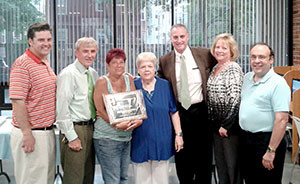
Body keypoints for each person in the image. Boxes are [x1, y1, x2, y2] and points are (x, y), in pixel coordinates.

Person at [157, 24, 217, 183]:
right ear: (171, 39)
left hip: (201, 111)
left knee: (203, 157)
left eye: (182, 36)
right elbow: (158, 82)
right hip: (179, 113)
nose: (179, 40)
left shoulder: (204, 54)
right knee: (183, 157)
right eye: (175, 37)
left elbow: (221, 62)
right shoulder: (165, 60)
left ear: (187, 36)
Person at [9, 22, 56, 184]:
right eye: (41, 39)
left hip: (46, 132)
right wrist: (27, 134)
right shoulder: (23, 64)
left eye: (49, 39)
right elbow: (17, 101)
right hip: (32, 134)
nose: (46, 43)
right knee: (32, 180)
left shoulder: (43, 62)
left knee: (45, 179)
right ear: (30, 41)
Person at [239, 43, 291, 184]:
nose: (257, 61)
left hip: (267, 142)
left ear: (271, 60)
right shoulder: (247, 79)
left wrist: (271, 150)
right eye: (253, 57)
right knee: (250, 179)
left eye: (262, 57)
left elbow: (282, 119)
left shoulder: (278, 83)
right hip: (246, 140)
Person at [131, 52, 184, 184]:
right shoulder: (133, 85)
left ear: (155, 68)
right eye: (143, 67)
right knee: (141, 180)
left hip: (162, 140)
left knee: (161, 180)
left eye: (150, 66)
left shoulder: (165, 85)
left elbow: (174, 112)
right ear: (138, 69)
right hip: (140, 140)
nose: (147, 69)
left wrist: (178, 135)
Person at [93, 48, 142, 184]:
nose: (119, 65)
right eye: (114, 62)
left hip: (126, 137)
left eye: (121, 62)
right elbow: (100, 110)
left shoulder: (129, 79)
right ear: (107, 65)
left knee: (123, 178)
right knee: (112, 180)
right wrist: (116, 124)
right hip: (107, 138)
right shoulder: (102, 82)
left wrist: (136, 121)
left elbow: (135, 106)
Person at [56, 37, 99, 184]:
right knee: (74, 178)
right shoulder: (68, 74)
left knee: (88, 176)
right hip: (75, 129)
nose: (89, 55)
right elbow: (62, 109)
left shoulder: (92, 73)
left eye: (93, 51)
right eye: (85, 51)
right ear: (76, 53)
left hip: (90, 128)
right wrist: (71, 137)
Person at [207, 33, 243, 184]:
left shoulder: (233, 68)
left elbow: (235, 99)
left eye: (224, 48)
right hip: (216, 127)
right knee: (221, 168)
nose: (220, 50)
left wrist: (226, 125)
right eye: (217, 47)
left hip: (229, 129)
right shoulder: (215, 68)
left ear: (232, 51)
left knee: (232, 167)